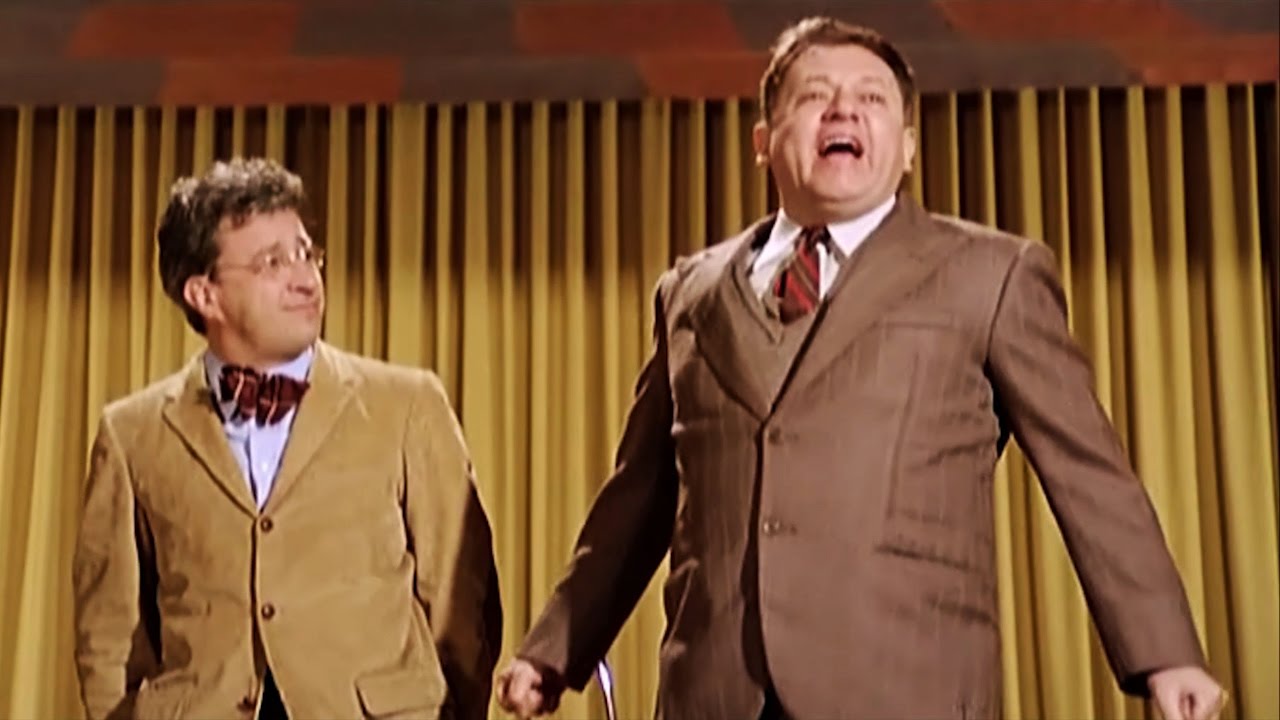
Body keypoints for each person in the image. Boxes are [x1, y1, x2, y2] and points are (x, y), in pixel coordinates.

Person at [496, 16, 1226, 720]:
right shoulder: (690, 292)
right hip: (715, 693)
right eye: (815, 96)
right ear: (763, 141)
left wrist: (1164, 655)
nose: (843, 109)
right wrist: (554, 650)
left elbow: (1090, 475)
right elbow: (639, 497)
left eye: (871, 98)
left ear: (907, 147)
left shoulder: (990, 275)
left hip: (903, 686)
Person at [73, 157, 501, 720]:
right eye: (272, 262)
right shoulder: (132, 434)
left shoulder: (406, 405)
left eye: (306, 254)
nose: (305, 278)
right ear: (204, 294)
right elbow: (109, 637)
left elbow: (462, 603)